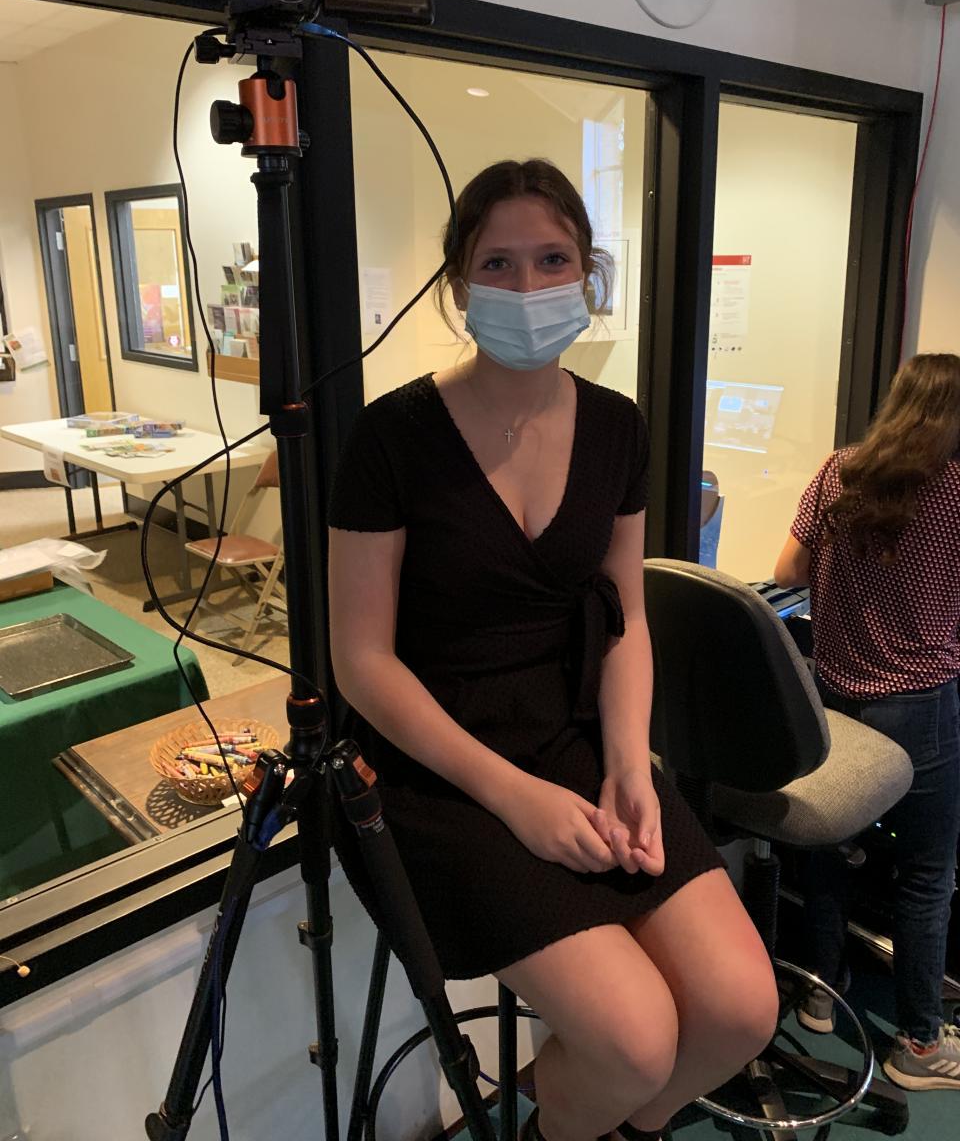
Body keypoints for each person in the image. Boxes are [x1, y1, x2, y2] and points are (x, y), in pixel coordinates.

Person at [329, 158, 778, 1141]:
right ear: (458, 283)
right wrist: (513, 796)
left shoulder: (617, 427)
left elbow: (627, 617)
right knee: (634, 1042)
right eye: (498, 262)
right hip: (439, 770)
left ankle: (591, 1123)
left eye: (552, 259)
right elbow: (362, 661)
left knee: (741, 1009)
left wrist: (630, 764)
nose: (527, 285)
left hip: (573, 738)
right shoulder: (389, 437)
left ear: (587, 274)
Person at [775, 352, 960, 1090]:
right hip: (922, 712)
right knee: (926, 874)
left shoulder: (839, 472)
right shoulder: (956, 488)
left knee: (829, 849)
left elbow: (788, 572)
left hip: (835, 700)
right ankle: (920, 1044)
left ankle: (820, 993)